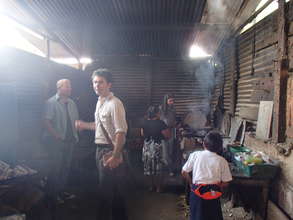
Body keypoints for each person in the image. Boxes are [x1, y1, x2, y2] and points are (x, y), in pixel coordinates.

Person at [75, 68, 128, 220]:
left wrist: (115, 156)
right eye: (95, 82)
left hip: (109, 152)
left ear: (109, 84)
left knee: (107, 193)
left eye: (101, 82)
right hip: (100, 151)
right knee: (112, 191)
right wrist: (84, 125)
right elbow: (99, 126)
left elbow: (121, 133)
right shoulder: (100, 103)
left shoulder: (115, 104)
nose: (97, 85)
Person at [181, 131, 232, 220]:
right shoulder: (222, 161)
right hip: (213, 193)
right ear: (220, 147)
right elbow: (226, 182)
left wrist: (191, 183)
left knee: (196, 216)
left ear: (203, 144)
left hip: (197, 191)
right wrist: (219, 185)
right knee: (213, 216)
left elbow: (184, 172)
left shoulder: (195, 155)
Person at [43, 79, 79, 202]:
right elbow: (46, 122)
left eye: (70, 86)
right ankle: (52, 196)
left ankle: (61, 192)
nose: (70, 89)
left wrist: (78, 130)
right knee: (56, 169)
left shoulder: (72, 103)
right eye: (67, 86)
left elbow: (75, 120)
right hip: (56, 142)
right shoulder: (51, 102)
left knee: (65, 168)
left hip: (70, 140)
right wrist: (56, 136)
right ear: (59, 87)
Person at [141, 105, 170, 193]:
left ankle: (150, 186)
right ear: (157, 114)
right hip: (158, 147)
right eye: (159, 112)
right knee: (158, 167)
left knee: (148, 167)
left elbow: (142, 134)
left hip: (147, 147)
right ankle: (158, 188)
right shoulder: (161, 123)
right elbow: (167, 135)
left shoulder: (144, 122)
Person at [160, 93, 176, 176]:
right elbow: (160, 121)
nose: (172, 102)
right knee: (164, 152)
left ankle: (169, 169)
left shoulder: (173, 109)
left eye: (172, 101)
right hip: (163, 132)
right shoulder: (161, 109)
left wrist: (175, 125)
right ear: (165, 101)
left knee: (170, 151)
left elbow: (173, 120)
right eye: (170, 101)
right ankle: (167, 170)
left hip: (171, 131)